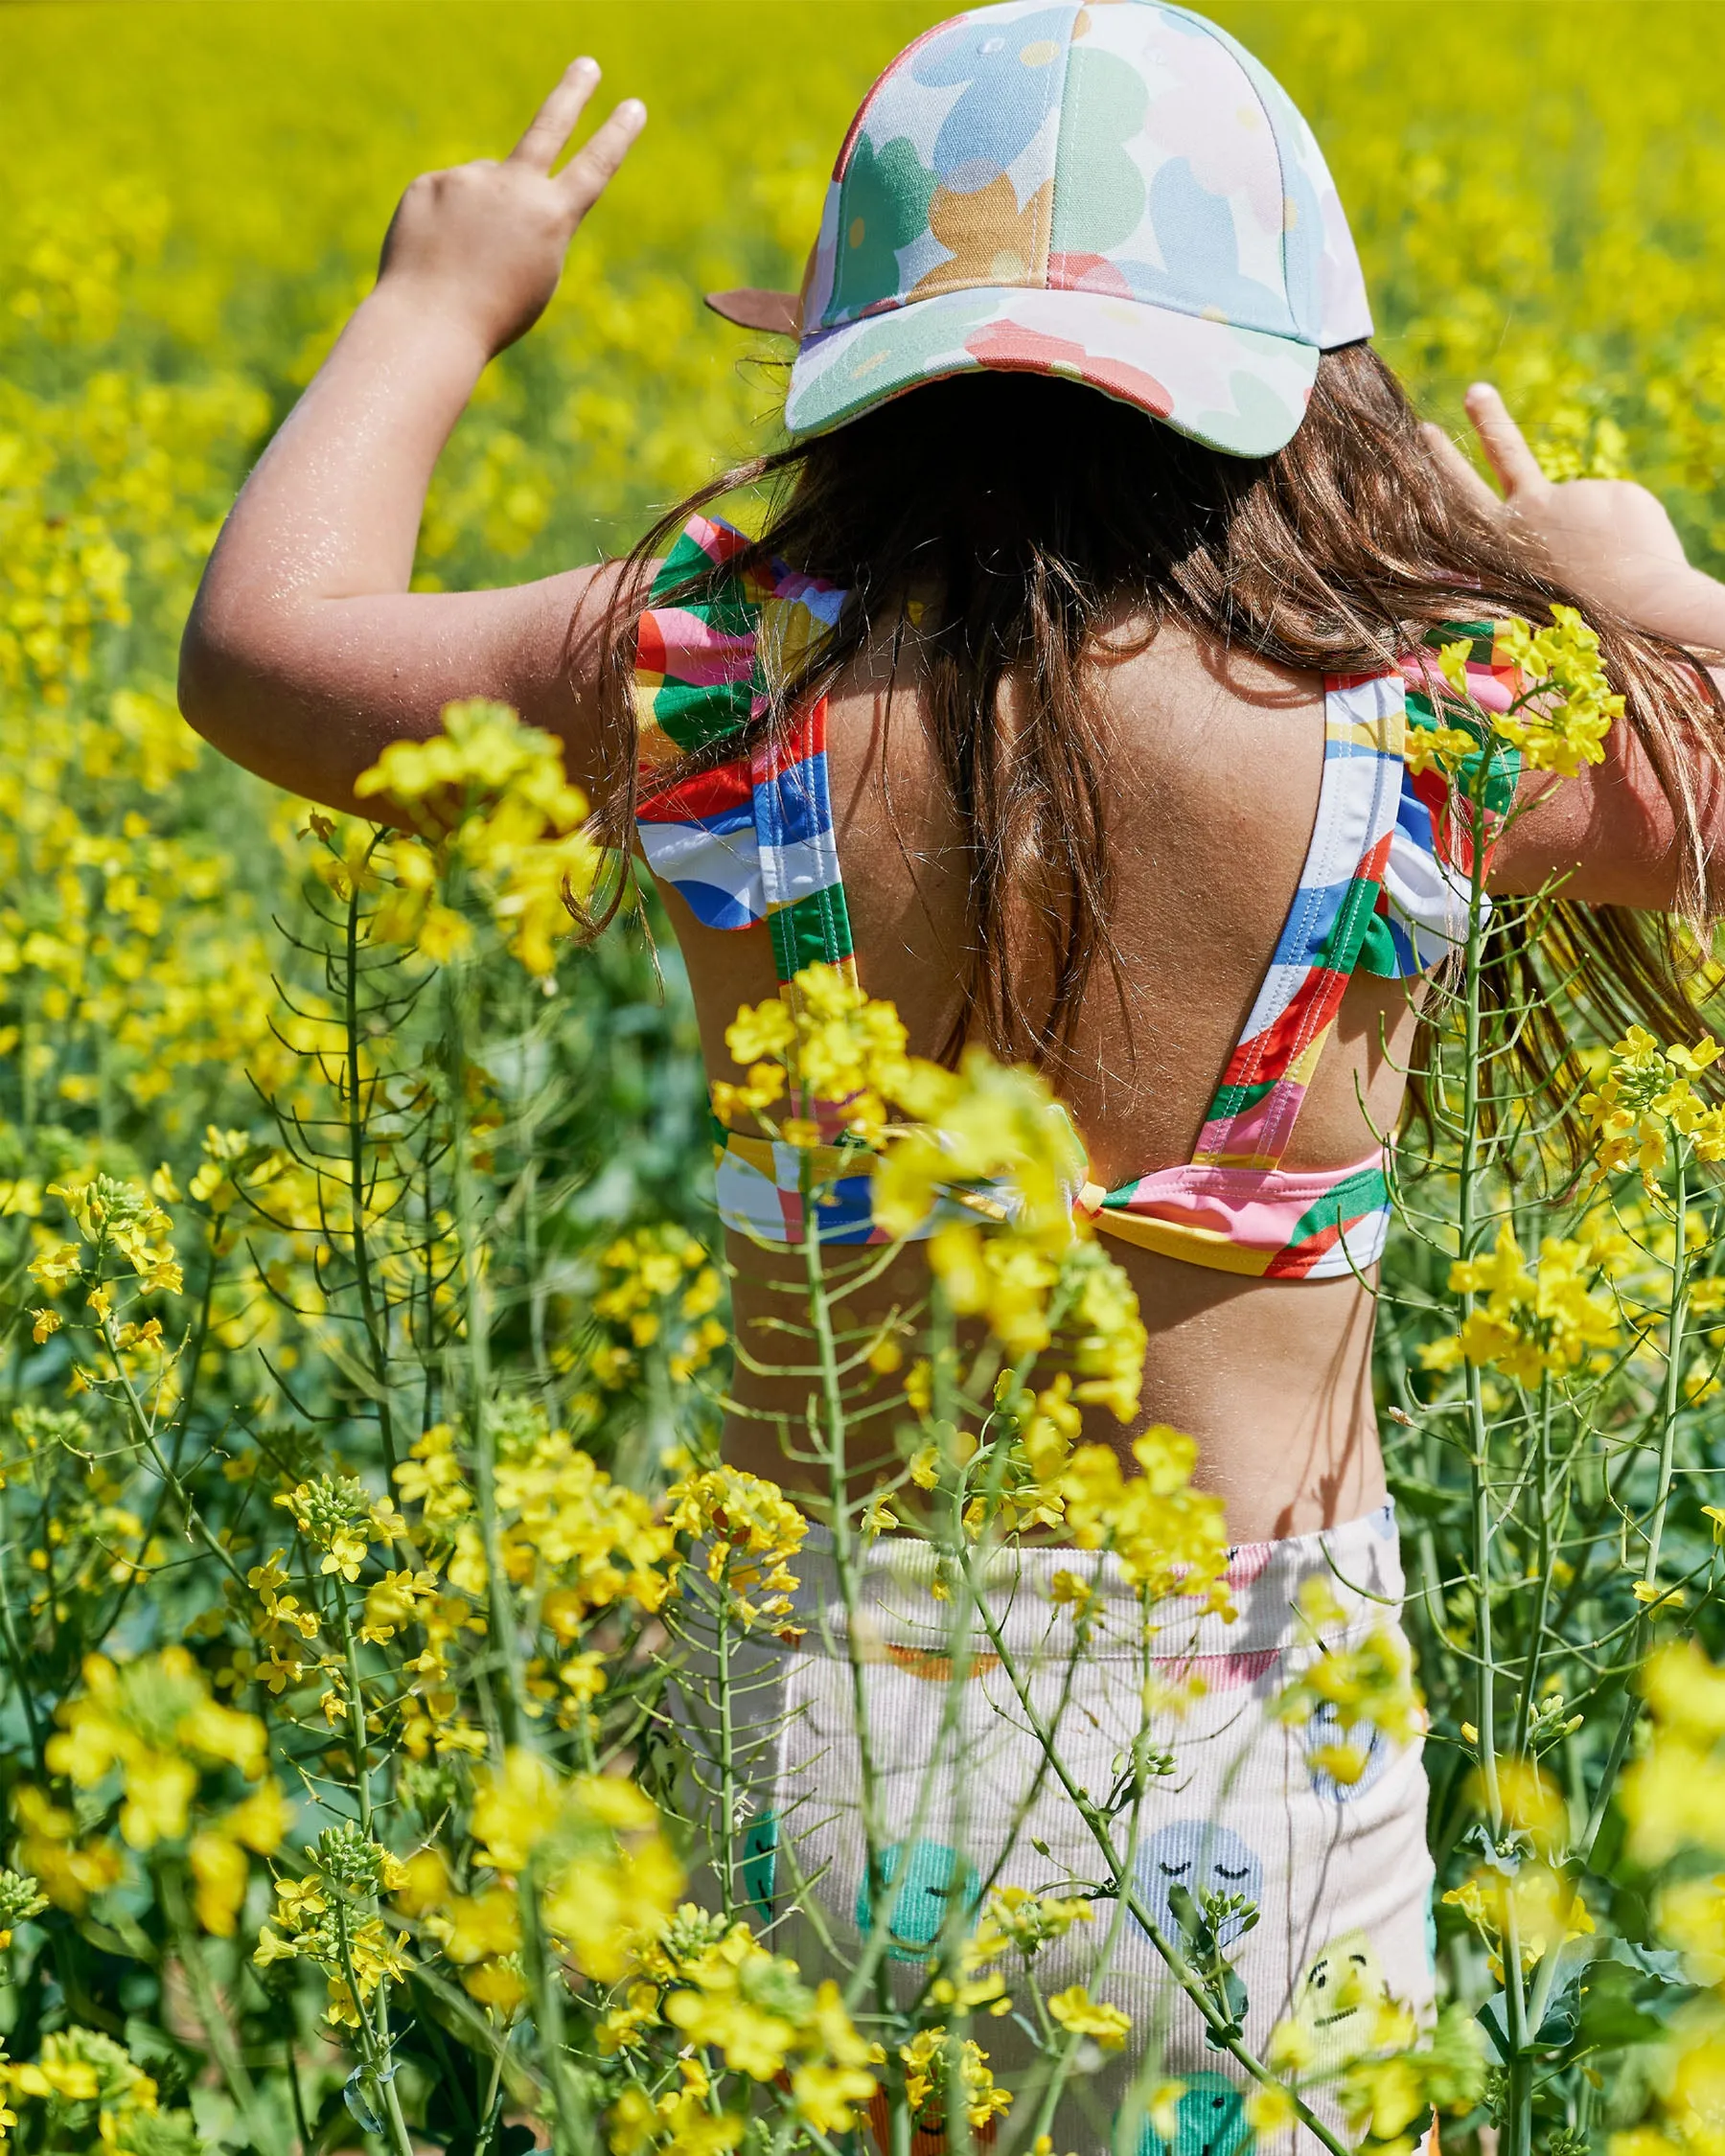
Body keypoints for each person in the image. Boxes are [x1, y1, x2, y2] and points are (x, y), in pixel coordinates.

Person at [179, 6, 1725, 2146]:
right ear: (1304, 385)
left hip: (812, 1740)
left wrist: (434, 305)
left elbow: (267, 643)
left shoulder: (713, 671)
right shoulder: (1438, 727)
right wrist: (1634, 596)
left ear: (857, 367)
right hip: (1252, 1785)